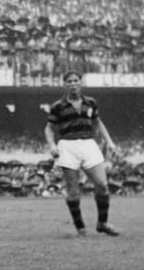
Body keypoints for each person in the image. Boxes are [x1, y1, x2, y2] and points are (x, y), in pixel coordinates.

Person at [44, 70, 120, 237]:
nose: (73, 83)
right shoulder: (58, 106)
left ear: (80, 82)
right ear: (65, 84)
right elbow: (49, 128)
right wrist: (52, 145)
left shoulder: (90, 102)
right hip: (67, 146)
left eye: (75, 80)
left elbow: (98, 123)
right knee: (73, 190)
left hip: (88, 144)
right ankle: (81, 229)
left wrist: (110, 142)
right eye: (69, 81)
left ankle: (103, 223)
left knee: (102, 185)